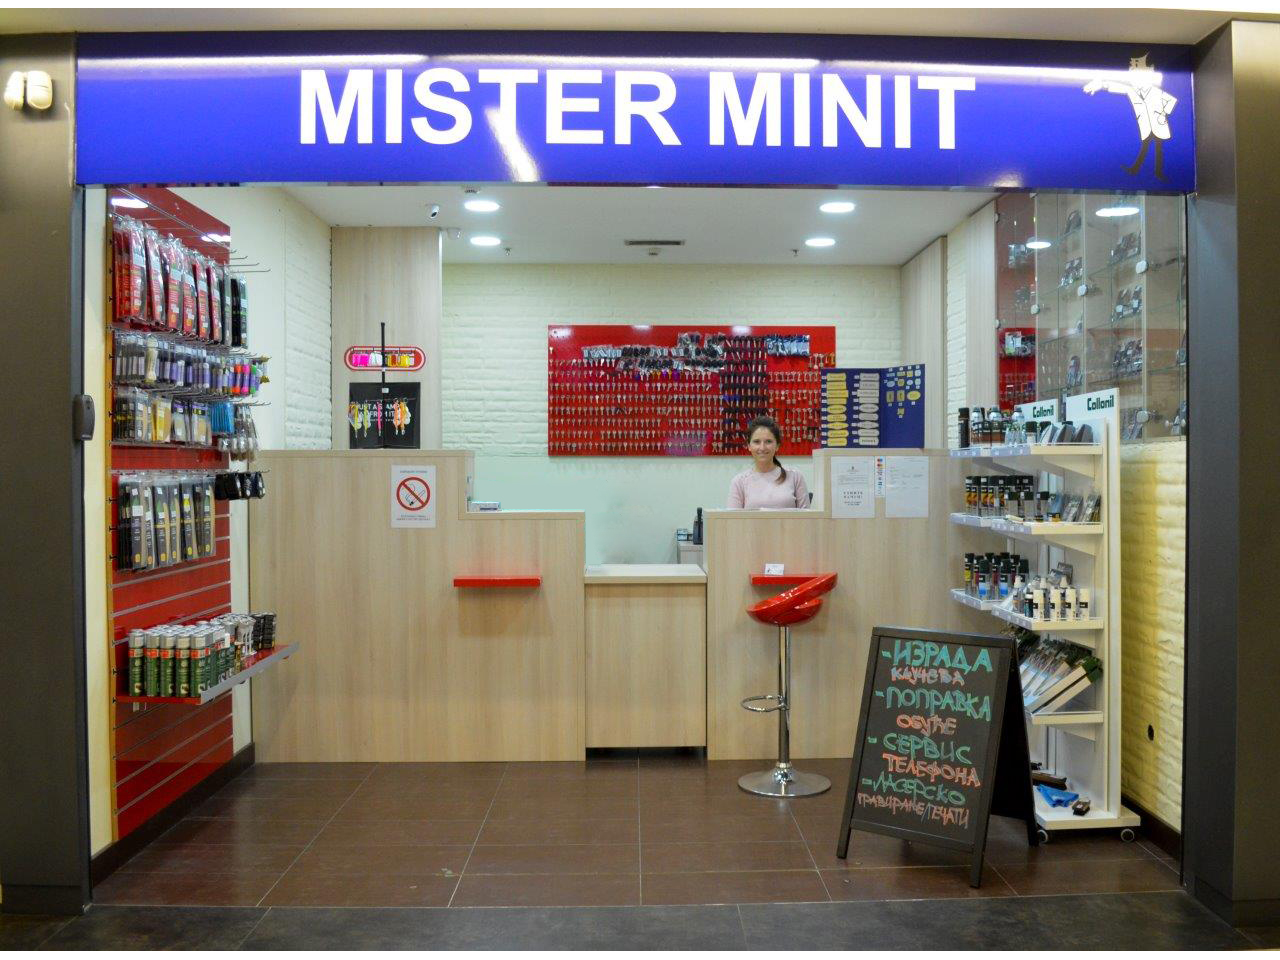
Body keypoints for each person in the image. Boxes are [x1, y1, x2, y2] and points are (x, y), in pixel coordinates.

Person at [727, 416, 810, 509]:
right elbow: (733, 518)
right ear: (749, 446)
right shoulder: (739, 482)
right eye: (757, 442)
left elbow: (807, 516)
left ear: (777, 446)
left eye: (768, 441)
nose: (762, 448)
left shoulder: (795, 477)